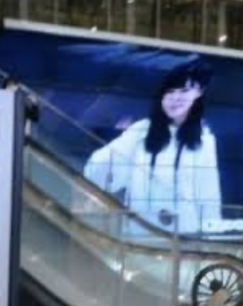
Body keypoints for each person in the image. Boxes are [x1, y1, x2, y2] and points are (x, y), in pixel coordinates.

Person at [84, 61, 221, 233]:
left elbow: (209, 197)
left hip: (186, 235)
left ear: (199, 92)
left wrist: (212, 237)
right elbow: (98, 171)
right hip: (141, 233)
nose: (175, 98)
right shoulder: (141, 131)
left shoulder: (204, 139)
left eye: (184, 91)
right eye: (169, 91)